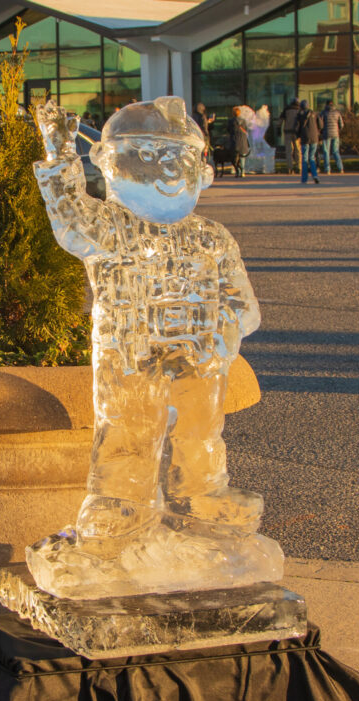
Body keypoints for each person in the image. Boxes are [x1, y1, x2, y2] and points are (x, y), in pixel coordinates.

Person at [29, 97, 280, 598]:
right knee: (128, 431)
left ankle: (203, 496)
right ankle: (121, 503)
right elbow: (72, 218)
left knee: (201, 433)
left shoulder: (212, 237)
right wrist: (59, 155)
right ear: (108, 166)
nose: (167, 171)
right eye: (147, 158)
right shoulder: (112, 229)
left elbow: (243, 304)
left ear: (203, 172)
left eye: (178, 160)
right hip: (131, 353)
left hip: (200, 355)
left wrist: (228, 328)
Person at [295, 99, 322, 184]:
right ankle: (315, 175)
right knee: (312, 157)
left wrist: (298, 136)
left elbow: (296, 127)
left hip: (305, 138)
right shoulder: (315, 114)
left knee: (305, 158)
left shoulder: (299, 115)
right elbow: (321, 125)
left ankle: (304, 179)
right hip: (314, 138)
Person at [321, 100, 344, 174]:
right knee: (335, 151)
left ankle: (327, 169)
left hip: (326, 134)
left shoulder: (324, 113)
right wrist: (337, 130)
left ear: (326, 105)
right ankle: (340, 168)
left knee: (326, 152)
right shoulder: (337, 113)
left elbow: (320, 124)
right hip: (335, 134)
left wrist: (321, 131)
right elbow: (341, 125)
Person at [226, 106, 250, 177]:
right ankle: (243, 171)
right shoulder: (243, 121)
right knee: (242, 156)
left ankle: (237, 171)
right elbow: (246, 129)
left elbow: (228, 130)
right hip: (243, 140)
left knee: (235, 157)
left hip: (235, 140)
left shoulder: (231, 121)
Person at [279, 98, 300, 175]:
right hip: (297, 133)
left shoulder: (286, 110)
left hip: (287, 132)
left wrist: (278, 129)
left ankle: (290, 168)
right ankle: (298, 167)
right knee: (297, 150)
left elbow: (280, 121)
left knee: (289, 150)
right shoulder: (299, 110)